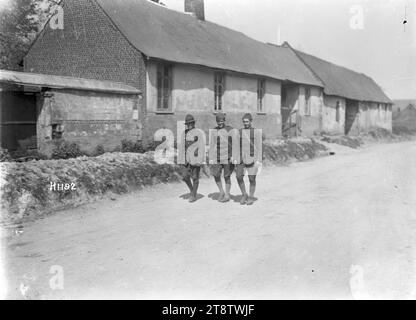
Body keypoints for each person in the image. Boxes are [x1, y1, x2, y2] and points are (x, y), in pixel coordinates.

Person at [235, 113, 265, 205]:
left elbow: (260, 146)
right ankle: (244, 194)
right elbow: (236, 146)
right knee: (238, 176)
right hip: (241, 158)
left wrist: (258, 160)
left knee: (252, 179)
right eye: (244, 122)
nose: (245, 123)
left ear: (251, 121)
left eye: (247, 121)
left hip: (253, 158)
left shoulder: (256, 132)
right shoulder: (239, 132)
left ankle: (251, 197)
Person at [210, 113, 235, 203]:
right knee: (216, 174)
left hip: (228, 156)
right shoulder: (214, 130)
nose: (220, 123)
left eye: (221, 121)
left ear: (224, 120)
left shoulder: (230, 129)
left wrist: (233, 155)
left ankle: (227, 195)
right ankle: (221, 191)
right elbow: (212, 144)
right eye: (218, 121)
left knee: (226, 176)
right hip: (217, 156)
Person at [181, 114, 201, 203]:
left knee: (195, 177)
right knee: (185, 176)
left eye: (191, 123)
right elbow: (181, 146)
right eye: (188, 124)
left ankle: (193, 195)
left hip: (195, 158)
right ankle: (192, 190)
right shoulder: (184, 133)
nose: (190, 125)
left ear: (193, 123)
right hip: (186, 159)